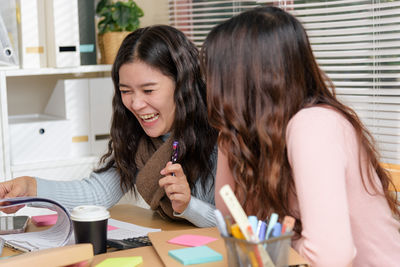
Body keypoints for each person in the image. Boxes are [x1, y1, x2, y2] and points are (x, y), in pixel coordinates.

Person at [201, 6, 400, 266]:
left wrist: (278, 242)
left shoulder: (314, 125)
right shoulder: (269, 133)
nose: (211, 89)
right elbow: (231, 218)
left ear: (243, 82)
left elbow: (330, 258)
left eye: (215, 78)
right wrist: (230, 134)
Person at [0, 25, 218, 228]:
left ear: (183, 85)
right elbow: (95, 193)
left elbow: (245, 225)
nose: (136, 104)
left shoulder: (222, 134)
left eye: (149, 90)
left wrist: (190, 206)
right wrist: (30, 188)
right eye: (126, 91)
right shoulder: (138, 138)